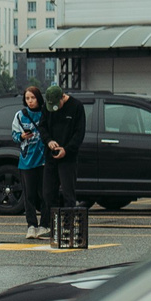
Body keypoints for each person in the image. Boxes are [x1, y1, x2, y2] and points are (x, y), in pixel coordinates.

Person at [41, 84, 85, 228]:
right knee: (48, 193)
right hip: (51, 156)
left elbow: (79, 133)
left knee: (68, 193)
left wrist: (67, 149)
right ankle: (50, 226)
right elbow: (42, 127)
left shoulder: (76, 107)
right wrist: (49, 141)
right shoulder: (47, 108)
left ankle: (68, 227)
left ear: (62, 97)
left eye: (56, 104)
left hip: (68, 158)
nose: (54, 108)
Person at [12, 84, 50, 239]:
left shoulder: (45, 114)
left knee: (46, 194)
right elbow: (14, 135)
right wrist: (21, 136)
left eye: (33, 98)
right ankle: (31, 225)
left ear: (39, 98)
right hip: (27, 161)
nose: (30, 101)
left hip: (44, 160)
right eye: (27, 98)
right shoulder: (20, 115)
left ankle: (45, 225)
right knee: (29, 196)